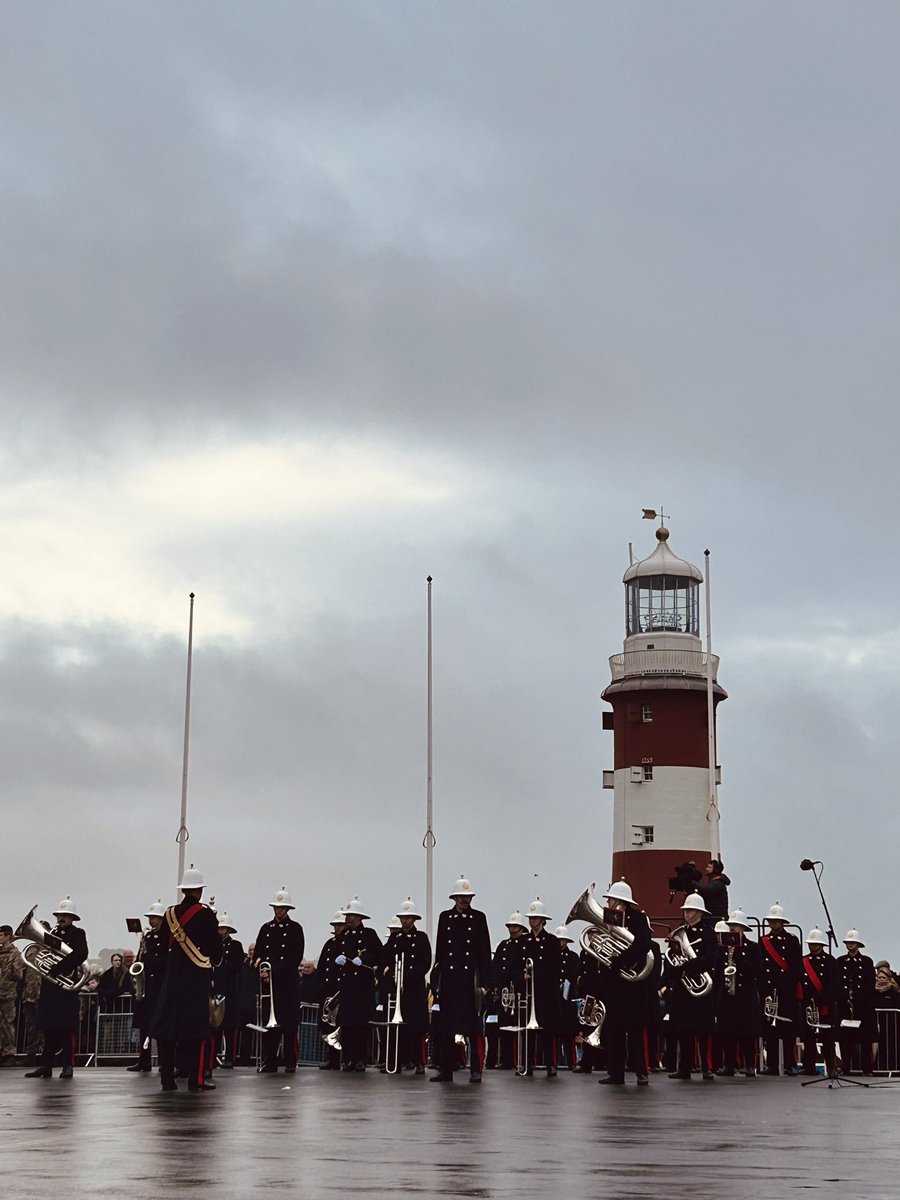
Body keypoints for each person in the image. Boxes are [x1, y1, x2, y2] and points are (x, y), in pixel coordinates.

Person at [149, 867, 222, 1092]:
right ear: (199, 891)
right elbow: (216, 954)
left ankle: (167, 1080)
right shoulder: (206, 915)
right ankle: (196, 1080)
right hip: (195, 980)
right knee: (197, 1032)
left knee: (167, 1031)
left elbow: (161, 951)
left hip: (171, 982)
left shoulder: (169, 915)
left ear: (183, 890)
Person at [430, 875, 493, 1084]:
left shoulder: (478, 918)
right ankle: (445, 1070)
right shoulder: (445, 918)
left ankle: (476, 1069)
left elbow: (484, 952)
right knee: (446, 1028)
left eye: (468, 897)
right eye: (462, 897)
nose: (466, 901)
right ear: (455, 898)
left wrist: (485, 982)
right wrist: (435, 977)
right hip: (449, 978)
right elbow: (440, 950)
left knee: (474, 1028)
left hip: (470, 980)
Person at [591, 881, 653, 1087]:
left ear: (620, 900)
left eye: (610, 898)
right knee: (614, 1030)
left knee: (635, 1031)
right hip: (614, 983)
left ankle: (641, 1072)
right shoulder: (606, 920)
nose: (608, 901)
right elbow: (602, 945)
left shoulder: (638, 918)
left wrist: (621, 960)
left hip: (633, 982)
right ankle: (615, 1072)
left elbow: (643, 944)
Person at [25, 897, 89, 1080]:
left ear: (72, 918)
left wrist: (59, 967)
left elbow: (81, 954)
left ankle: (68, 1065)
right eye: (59, 915)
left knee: (65, 1029)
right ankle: (46, 1065)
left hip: (65, 986)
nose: (61, 918)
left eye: (65, 915)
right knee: (48, 1028)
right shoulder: (52, 932)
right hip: (50, 987)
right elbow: (42, 953)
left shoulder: (78, 933)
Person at [664, 893, 718, 1081]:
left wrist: (686, 967)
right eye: (686, 910)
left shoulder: (708, 933)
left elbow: (711, 959)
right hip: (683, 989)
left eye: (691, 910)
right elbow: (671, 957)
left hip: (701, 988)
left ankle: (707, 1067)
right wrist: (675, 971)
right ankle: (684, 1068)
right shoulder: (680, 933)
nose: (687, 913)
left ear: (700, 913)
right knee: (683, 1030)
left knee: (704, 1031)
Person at [253, 886, 305, 1074]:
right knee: (270, 1026)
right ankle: (270, 1060)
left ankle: (290, 1061)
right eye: (276, 907)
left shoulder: (295, 929)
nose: (278, 911)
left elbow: (295, 957)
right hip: (270, 986)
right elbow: (257, 954)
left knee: (289, 1026)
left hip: (287, 984)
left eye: (282, 908)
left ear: (288, 909)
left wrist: (273, 970)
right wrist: (261, 968)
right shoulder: (266, 929)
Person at [381, 897, 432, 1074]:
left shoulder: (421, 938)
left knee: (416, 1028)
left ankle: (418, 1062)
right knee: (398, 1028)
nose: (405, 920)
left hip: (415, 989)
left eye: (408, 917)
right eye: (403, 917)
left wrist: (408, 975)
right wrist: (389, 972)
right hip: (398, 989)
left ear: (414, 919)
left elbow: (425, 962)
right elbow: (385, 958)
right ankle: (398, 1061)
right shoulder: (395, 938)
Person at [331, 898, 382, 1072]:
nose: (348, 918)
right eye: (347, 915)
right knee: (347, 1025)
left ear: (359, 917)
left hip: (362, 986)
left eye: (351, 915)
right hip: (347, 985)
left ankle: (360, 1059)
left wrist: (365, 959)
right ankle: (348, 1059)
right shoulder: (343, 936)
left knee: (360, 1025)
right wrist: (337, 960)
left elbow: (379, 954)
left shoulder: (369, 935)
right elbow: (335, 954)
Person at [715, 908, 762, 1077]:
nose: (732, 928)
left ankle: (749, 1065)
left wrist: (741, 961)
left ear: (743, 928)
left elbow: (758, 971)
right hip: (727, 994)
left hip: (745, 995)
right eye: (731, 925)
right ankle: (729, 1064)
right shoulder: (723, 948)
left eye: (736, 925)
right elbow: (718, 971)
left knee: (747, 1033)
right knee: (727, 1032)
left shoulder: (753, 948)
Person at [760, 903, 801, 1076]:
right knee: (771, 1031)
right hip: (769, 990)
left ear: (782, 922)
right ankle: (772, 1065)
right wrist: (765, 986)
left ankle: (790, 1065)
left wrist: (784, 984)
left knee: (788, 1031)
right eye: (771, 921)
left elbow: (796, 967)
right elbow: (761, 965)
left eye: (776, 921)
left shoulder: (792, 940)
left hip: (786, 991)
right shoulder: (763, 941)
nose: (773, 924)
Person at [127, 900, 167, 1073]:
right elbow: (140, 957)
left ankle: (165, 1062)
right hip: (147, 986)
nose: (152, 921)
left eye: (155, 918)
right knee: (144, 1026)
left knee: (161, 1027)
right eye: (150, 918)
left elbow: (165, 962)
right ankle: (143, 1060)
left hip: (159, 986)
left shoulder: (166, 937)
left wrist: (149, 960)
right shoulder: (148, 937)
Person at [487, 912, 527, 1071]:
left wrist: (515, 977)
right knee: (504, 1025)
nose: (512, 928)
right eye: (510, 926)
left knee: (518, 1027)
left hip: (518, 990)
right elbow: (496, 966)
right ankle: (506, 1059)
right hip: (504, 990)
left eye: (515, 926)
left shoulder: (525, 944)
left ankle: (521, 1060)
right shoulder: (503, 945)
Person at [836, 929, 877, 1075]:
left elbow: (869, 984)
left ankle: (867, 1069)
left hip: (862, 1007)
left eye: (853, 942)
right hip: (845, 1006)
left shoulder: (866, 962)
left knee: (865, 1039)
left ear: (858, 944)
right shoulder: (840, 961)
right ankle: (845, 1067)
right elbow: (837, 982)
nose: (850, 944)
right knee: (845, 1040)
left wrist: (859, 998)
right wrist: (844, 998)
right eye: (848, 942)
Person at [799, 927, 837, 1076]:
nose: (813, 946)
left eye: (816, 944)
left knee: (827, 1038)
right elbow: (801, 982)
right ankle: (809, 1066)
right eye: (811, 944)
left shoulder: (830, 961)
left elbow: (832, 984)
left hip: (824, 1004)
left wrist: (821, 998)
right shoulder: (803, 961)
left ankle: (831, 1067)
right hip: (808, 1004)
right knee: (809, 1039)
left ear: (821, 945)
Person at [316, 911, 347, 1070]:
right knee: (328, 1026)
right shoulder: (329, 944)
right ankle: (333, 1058)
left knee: (341, 1026)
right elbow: (322, 967)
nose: (337, 928)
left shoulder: (348, 943)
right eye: (335, 925)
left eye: (340, 925)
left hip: (340, 990)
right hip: (328, 990)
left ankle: (344, 1059)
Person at [213, 912, 244, 1069]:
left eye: (224, 928)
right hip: (216, 988)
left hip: (229, 989)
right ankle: (213, 1057)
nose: (221, 930)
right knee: (215, 1026)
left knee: (229, 1027)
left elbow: (236, 966)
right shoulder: (213, 944)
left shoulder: (235, 946)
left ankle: (230, 1058)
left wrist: (223, 967)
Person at [555, 925, 581, 1071]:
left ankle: (571, 1061)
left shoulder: (573, 957)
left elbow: (573, 974)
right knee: (555, 1032)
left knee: (569, 1033)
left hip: (568, 997)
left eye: (561, 940)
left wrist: (564, 980)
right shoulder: (552, 956)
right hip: (555, 997)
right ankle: (555, 1061)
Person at [0, 925, 25, 1066]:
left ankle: (9, 1052)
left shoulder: (15, 953)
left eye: (1, 935)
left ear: (8, 936)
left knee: (7, 1023)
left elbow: (18, 975)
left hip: (8, 993)